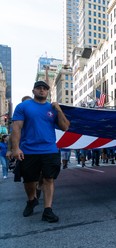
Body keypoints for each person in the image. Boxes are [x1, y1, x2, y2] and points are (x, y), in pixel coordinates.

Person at [11, 80, 70, 223]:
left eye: (45, 88)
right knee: (29, 181)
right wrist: (15, 148)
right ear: (33, 91)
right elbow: (17, 128)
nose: (42, 90)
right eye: (39, 88)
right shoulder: (23, 107)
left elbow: (65, 127)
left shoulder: (52, 108)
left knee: (48, 179)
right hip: (29, 151)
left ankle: (47, 210)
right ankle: (32, 200)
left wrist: (59, 110)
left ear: (48, 91)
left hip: (49, 150)